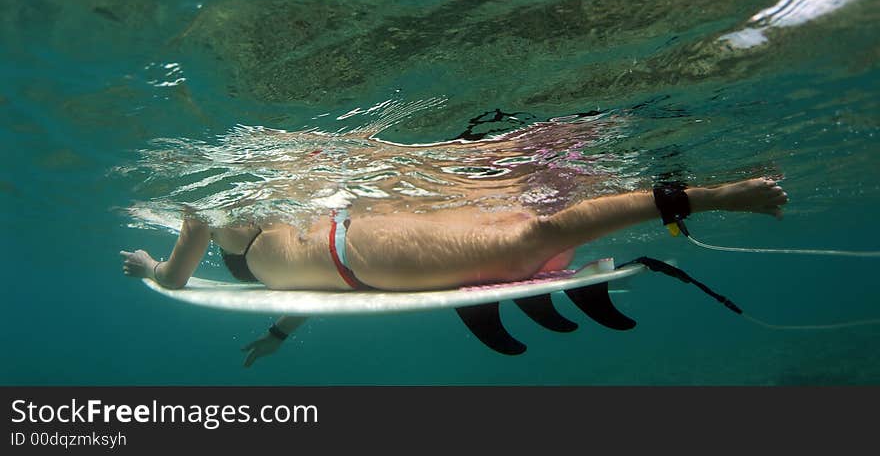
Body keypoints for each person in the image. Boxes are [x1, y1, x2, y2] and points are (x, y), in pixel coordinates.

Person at [121, 176, 787, 366]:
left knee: (533, 235)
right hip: (354, 262)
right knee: (523, 232)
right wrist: (280, 334)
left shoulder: (206, 199)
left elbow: (176, 280)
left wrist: (150, 265)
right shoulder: (239, 208)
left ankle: (718, 195)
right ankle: (695, 197)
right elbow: (302, 287)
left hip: (365, 253)